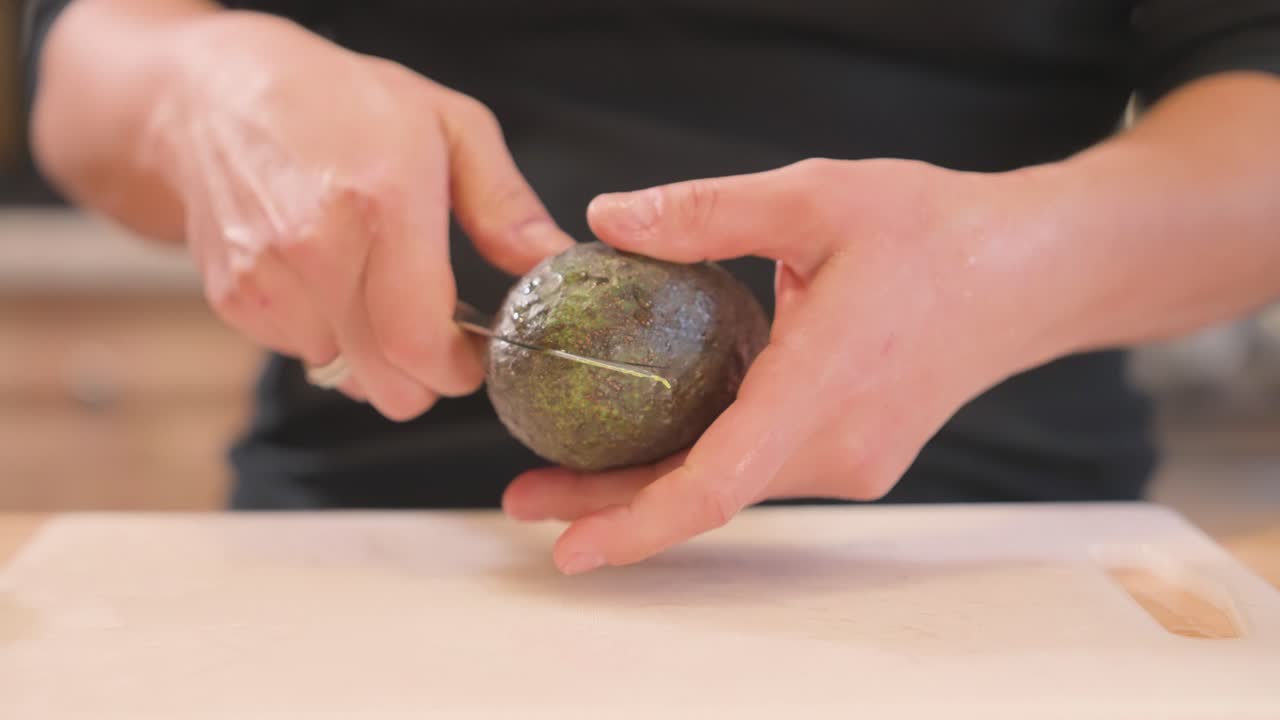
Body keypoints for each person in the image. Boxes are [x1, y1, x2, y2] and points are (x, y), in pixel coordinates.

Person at [20, 0, 1280, 574]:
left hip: (967, 543)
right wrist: (206, 87)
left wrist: (1007, 261)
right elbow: (72, 64)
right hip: (373, 537)